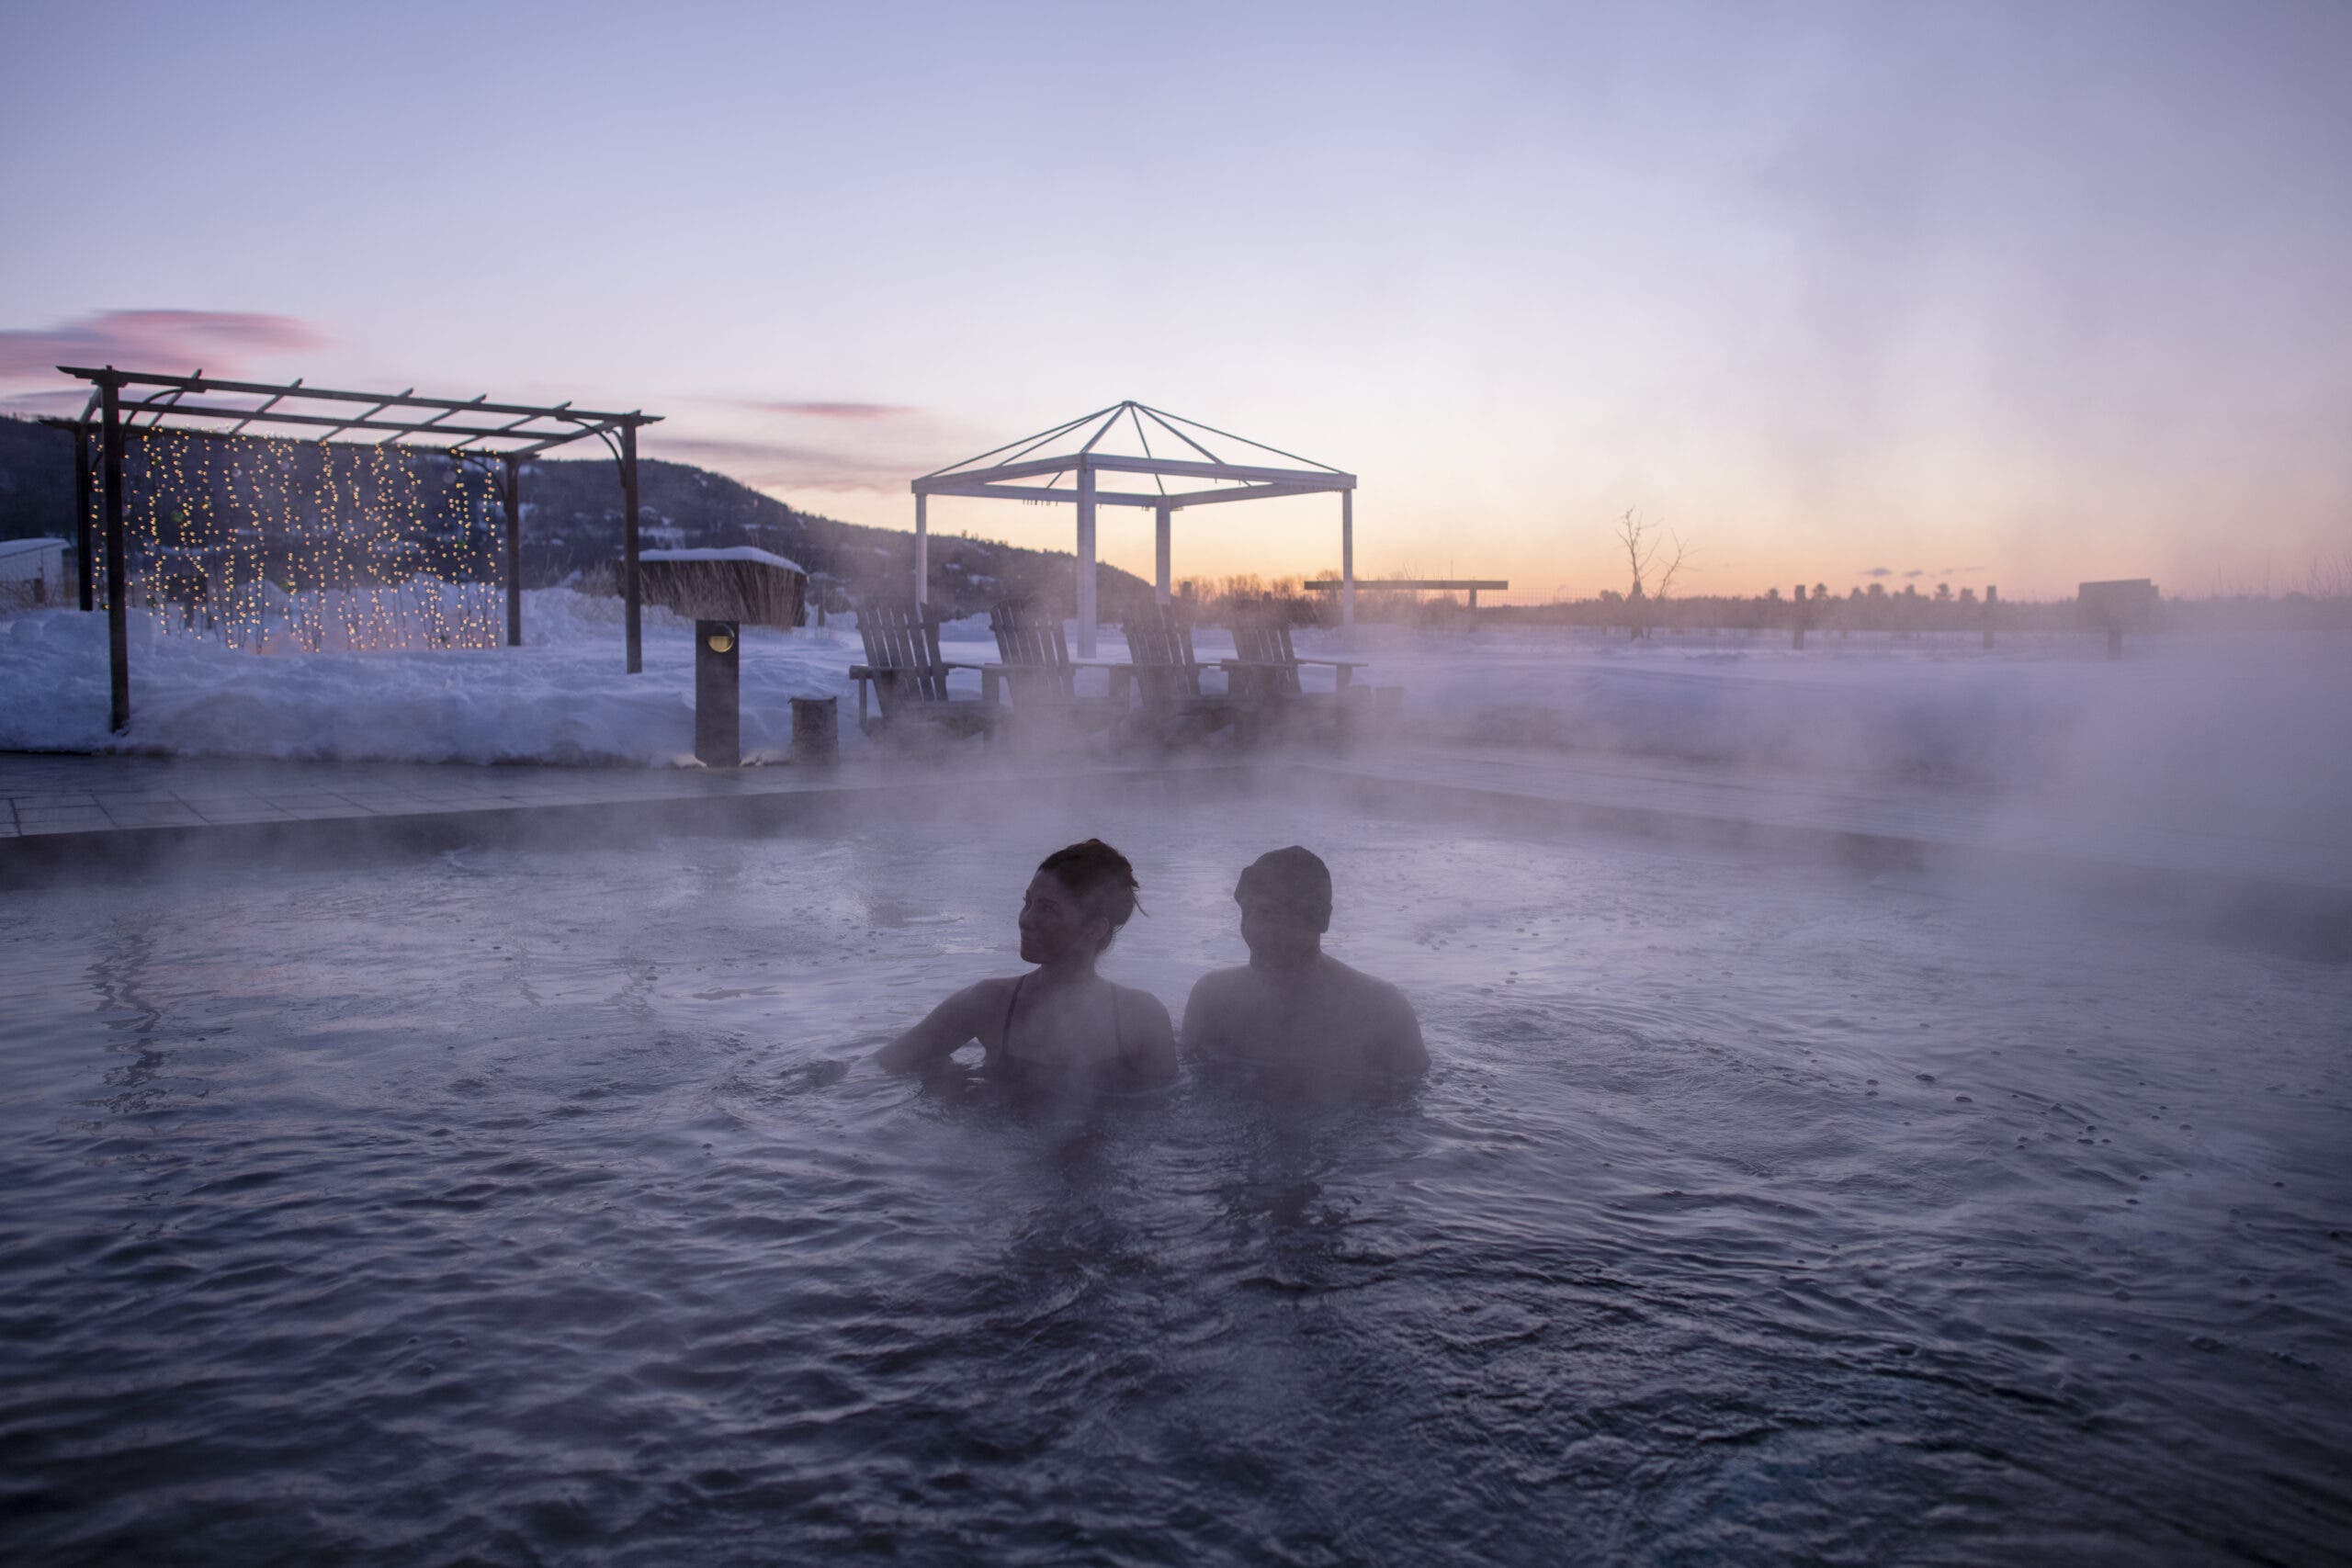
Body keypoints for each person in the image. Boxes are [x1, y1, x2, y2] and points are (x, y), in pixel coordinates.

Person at [876, 840, 1178, 1091]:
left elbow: (1164, 1121)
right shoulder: (988, 1003)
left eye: (1047, 908)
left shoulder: (1141, 1018)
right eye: (1028, 902)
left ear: (1095, 929)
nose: (1026, 919)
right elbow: (880, 1069)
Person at [1182, 846, 1428, 1082]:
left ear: (1319, 919)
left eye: (1270, 914)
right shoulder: (1213, 999)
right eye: (1247, 911)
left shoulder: (1380, 1010)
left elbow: (1410, 1105)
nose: (1252, 927)